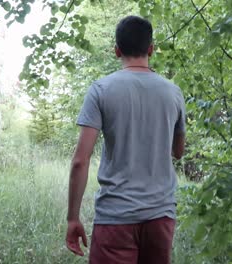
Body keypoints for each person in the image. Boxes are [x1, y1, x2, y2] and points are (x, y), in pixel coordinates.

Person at [65, 15, 186, 264]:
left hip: (115, 217)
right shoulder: (173, 92)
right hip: (160, 216)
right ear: (150, 49)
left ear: (116, 50)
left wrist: (73, 218)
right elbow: (178, 152)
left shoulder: (101, 89)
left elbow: (80, 161)